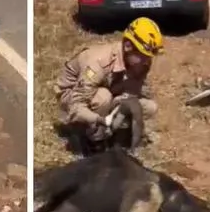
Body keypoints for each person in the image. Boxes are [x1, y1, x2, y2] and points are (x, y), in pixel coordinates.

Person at [56, 17, 163, 148]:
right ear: (128, 46)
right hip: (73, 94)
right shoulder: (98, 62)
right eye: (143, 55)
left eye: (149, 57)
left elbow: (130, 94)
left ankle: (115, 135)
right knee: (103, 98)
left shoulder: (141, 64)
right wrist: (100, 120)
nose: (147, 61)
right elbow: (76, 106)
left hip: (109, 89)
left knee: (148, 107)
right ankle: (93, 140)